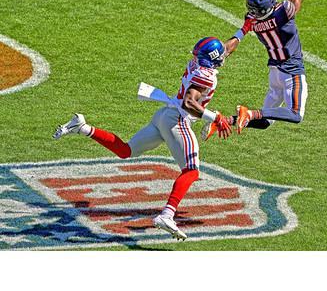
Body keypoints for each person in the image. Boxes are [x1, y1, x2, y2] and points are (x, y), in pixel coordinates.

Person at [53, 37, 234, 241]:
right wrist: (215, 117)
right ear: (214, 59)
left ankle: (83, 127)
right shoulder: (205, 76)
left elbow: (227, 48)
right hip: (178, 120)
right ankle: (167, 215)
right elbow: (189, 103)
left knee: (126, 151)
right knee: (191, 171)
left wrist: (245, 29)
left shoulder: (198, 63)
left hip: (163, 115)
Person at [228, 0, 308, 134]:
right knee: (295, 114)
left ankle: (225, 120)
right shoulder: (285, 11)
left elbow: (262, 9)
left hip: (274, 73)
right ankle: (249, 113)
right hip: (291, 70)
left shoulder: (252, 21)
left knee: (265, 122)